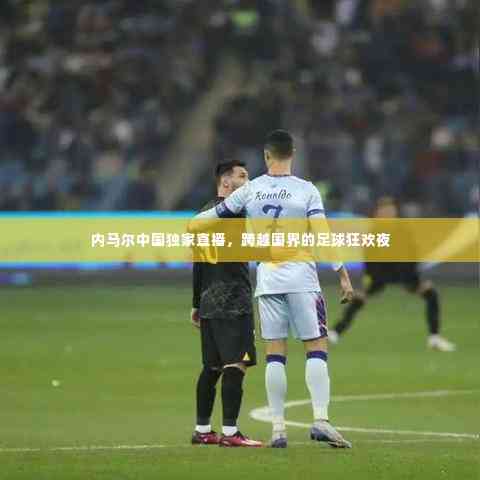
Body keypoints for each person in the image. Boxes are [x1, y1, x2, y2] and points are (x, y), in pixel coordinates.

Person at [193, 130, 354, 448]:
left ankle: (278, 429)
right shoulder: (306, 190)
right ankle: (321, 420)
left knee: (275, 354)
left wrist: (194, 224)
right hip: (301, 276)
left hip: (268, 278)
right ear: (292, 153)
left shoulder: (250, 190)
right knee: (316, 346)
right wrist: (342, 273)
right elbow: (322, 234)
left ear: (266, 156)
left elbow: (209, 218)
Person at [191, 160, 262, 448]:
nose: (248, 182)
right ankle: (231, 433)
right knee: (236, 364)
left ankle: (202, 430)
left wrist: (196, 303)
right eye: (243, 176)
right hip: (234, 300)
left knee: (211, 367)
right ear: (226, 182)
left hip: (209, 301)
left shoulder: (204, 214)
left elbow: (198, 263)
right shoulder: (235, 215)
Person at [329, 196, 456, 352]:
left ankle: (434, 338)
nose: (387, 214)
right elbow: (369, 260)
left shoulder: (403, 230)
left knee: (431, 293)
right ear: (377, 214)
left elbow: (412, 254)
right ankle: (335, 332)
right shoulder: (374, 233)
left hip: (403, 273)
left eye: (390, 211)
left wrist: (413, 280)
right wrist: (369, 280)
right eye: (384, 211)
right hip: (380, 274)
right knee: (358, 298)